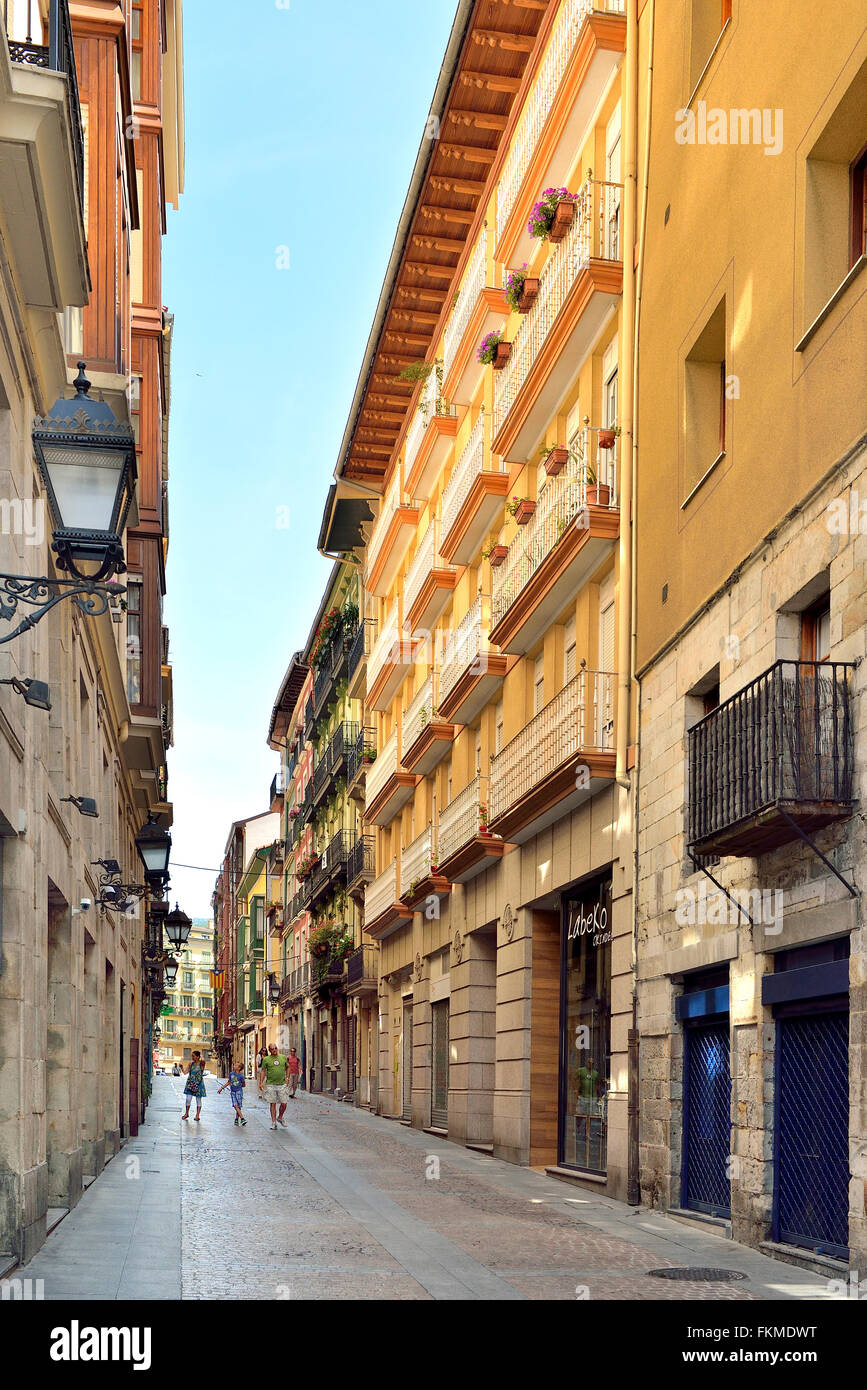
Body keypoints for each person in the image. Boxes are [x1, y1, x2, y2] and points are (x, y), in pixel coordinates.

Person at [258, 1043, 289, 1129]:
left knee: (284, 1103)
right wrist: (261, 1082)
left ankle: (280, 1117)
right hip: (271, 1084)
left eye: (275, 1048)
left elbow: (288, 1067)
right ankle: (274, 1122)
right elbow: (263, 1071)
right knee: (273, 1103)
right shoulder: (266, 1059)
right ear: (269, 1050)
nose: (274, 1050)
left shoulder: (283, 1057)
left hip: (282, 1084)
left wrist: (287, 1078)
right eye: (272, 1049)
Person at [182, 1051, 206, 1121]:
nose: (192, 1057)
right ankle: (186, 1113)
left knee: (198, 1100)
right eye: (192, 1056)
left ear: (198, 1057)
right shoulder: (191, 1064)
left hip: (199, 1084)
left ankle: (197, 1115)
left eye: (194, 1056)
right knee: (188, 1099)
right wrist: (182, 1068)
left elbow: (203, 1060)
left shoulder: (201, 1064)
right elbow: (185, 1072)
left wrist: (201, 1055)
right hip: (190, 1083)